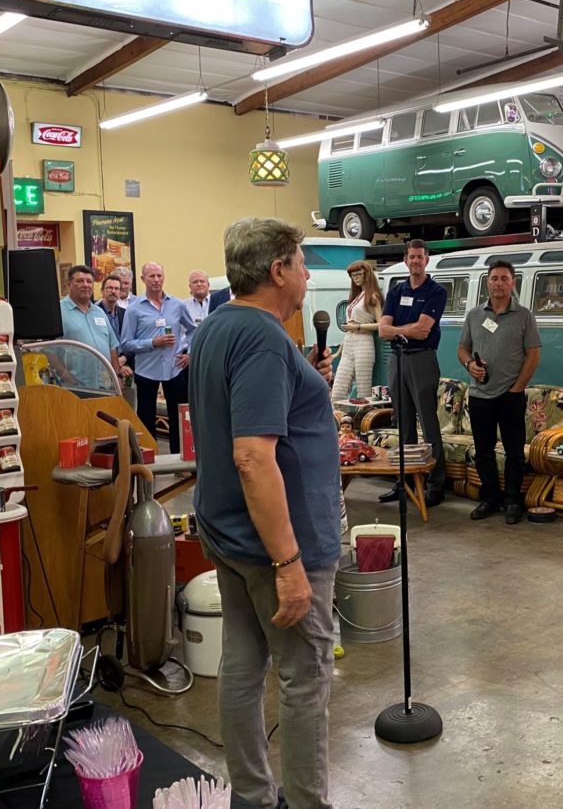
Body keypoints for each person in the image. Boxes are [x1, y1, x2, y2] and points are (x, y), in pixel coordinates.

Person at [188, 218, 337, 809]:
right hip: (277, 542)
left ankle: (252, 795)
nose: (307, 276)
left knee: (243, 665)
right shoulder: (262, 337)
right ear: (278, 270)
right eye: (301, 264)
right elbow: (252, 456)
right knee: (305, 676)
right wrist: (289, 563)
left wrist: (304, 386)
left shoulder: (217, 325)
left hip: (229, 532)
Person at [458, 259, 541, 525]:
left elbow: (533, 355)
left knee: (514, 452)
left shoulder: (524, 316)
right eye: (494, 278)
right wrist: (470, 365)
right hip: (479, 395)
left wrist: (518, 388)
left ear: (513, 283)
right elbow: (463, 349)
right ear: (487, 282)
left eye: (505, 278)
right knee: (483, 451)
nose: (499, 283)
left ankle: (513, 501)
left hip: (510, 395)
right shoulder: (474, 315)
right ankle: (490, 498)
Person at [378, 240, 448, 508]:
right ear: (405, 260)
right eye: (411, 257)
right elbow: (382, 330)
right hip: (397, 360)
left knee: (428, 424)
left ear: (426, 260)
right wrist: (404, 330)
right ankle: (405, 483)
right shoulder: (396, 291)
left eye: (420, 257)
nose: (416, 261)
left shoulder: (436, 292)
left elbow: (423, 330)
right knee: (403, 424)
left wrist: (396, 330)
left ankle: (436, 485)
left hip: (422, 359)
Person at [121, 262, 196, 454]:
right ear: (142, 279)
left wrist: (189, 353)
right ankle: (149, 458)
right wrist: (153, 342)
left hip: (174, 368)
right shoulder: (134, 309)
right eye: (151, 276)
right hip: (146, 371)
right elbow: (126, 343)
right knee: (146, 416)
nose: (156, 280)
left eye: (159, 276)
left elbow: (193, 331)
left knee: (179, 416)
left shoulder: (177, 305)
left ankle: (179, 458)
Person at [58, 264, 129, 390]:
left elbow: (112, 347)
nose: (85, 285)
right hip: (75, 387)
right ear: (69, 284)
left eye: (89, 281)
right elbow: (49, 351)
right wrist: (66, 377)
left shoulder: (99, 312)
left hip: (105, 386)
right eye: (80, 281)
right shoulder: (58, 311)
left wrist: (117, 376)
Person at [331, 262, 384, 403]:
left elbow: (381, 324)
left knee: (363, 390)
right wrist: (338, 352)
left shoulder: (372, 296)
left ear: (367, 275)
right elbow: (350, 327)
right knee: (338, 390)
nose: (355, 278)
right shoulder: (358, 296)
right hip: (349, 343)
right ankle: (338, 415)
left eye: (358, 274)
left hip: (364, 342)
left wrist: (358, 327)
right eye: (352, 275)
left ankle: (363, 415)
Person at [99, 273, 136, 409]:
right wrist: (116, 364)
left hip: (126, 366)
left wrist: (124, 358)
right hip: (103, 367)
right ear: (102, 291)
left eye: (116, 288)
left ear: (120, 292)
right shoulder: (95, 313)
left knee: (128, 407)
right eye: (109, 288)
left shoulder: (125, 313)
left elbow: (133, 340)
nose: (113, 291)